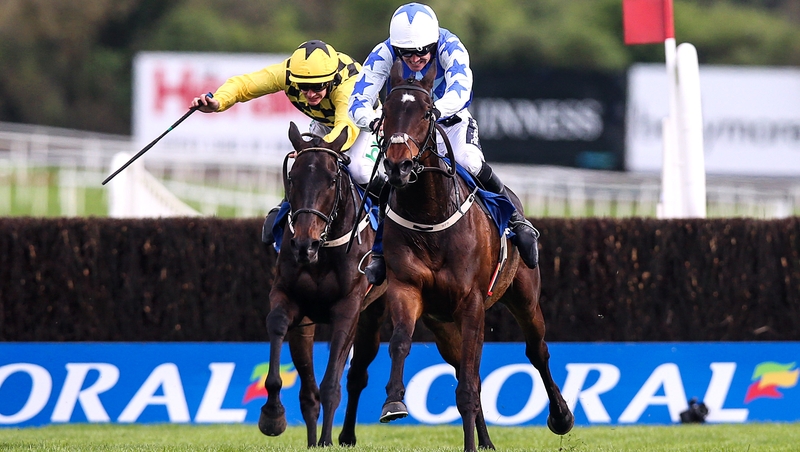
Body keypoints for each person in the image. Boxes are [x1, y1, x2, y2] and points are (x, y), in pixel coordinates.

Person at [348, 2, 541, 285]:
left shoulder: (450, 46)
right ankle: (379, 250)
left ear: (433, 43)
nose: (414, 58)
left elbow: (461, 90)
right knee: (374, 173)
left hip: (446, 123)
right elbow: (358, 101)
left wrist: (435, 111)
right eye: (406, 53)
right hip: (405, 131)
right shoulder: (383, 53)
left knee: (469, 162)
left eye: (422, 51)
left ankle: (515, 220)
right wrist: (374, 122)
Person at [191, 40, 382, 247]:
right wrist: (219, 101)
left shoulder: (347, 86)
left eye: (317, 86)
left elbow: (346, 127)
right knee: (307, 169)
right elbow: (245, 84)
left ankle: (386, 221)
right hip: (326, 122)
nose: (310, 94)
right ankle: (288, 209)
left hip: (361, 122)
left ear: (331, 79)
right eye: (303, 87)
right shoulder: (288, 72)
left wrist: (314, 151)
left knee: (360, 170)